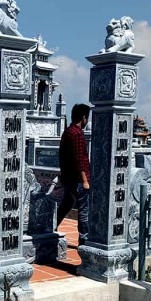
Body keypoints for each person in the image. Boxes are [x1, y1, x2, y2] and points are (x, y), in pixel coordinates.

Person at [57, 104, 91, 245]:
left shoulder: (68, 131)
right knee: (83, 210)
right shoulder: (77, 133)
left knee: (66, 205)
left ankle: (50, 227)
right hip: (77, 180)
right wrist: (85, 181)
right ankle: (84, 240)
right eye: (87, 118)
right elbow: (79, 159)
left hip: (68, 178)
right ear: (83, 118)